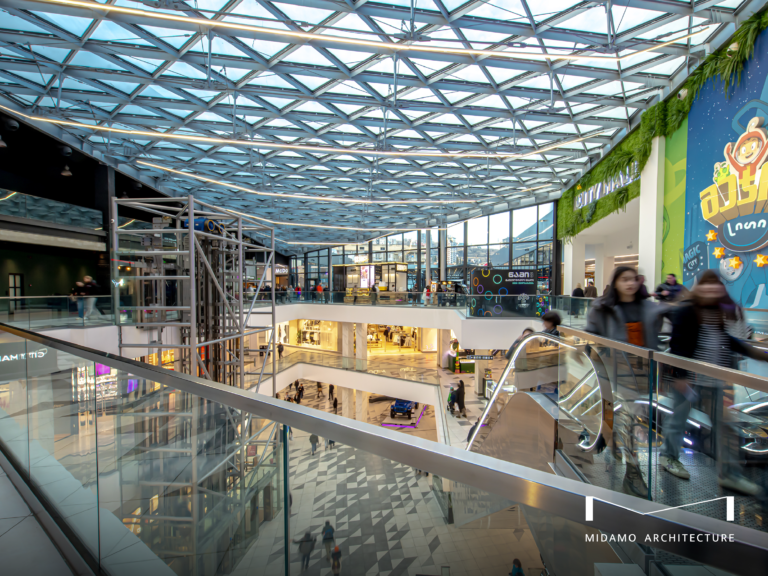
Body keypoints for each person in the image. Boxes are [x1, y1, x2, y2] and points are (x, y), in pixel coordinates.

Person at [661, 270, 764, 495]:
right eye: (706, 284)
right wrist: (680, 377)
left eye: (715, 284)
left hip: (714, 379)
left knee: (724, 426)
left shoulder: (719, 313)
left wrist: (757, 353)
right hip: (689, 378)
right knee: (678, 419)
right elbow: (678, 345)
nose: (710, 288)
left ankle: (730, 474)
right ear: (698, 288)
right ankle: (668, 456)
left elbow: (727, 341)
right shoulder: (687, 311)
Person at [586, 266, 665, 498]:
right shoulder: (603, 308)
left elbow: (659, 331)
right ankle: (633, 473)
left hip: (644, 372)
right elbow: (590, 336)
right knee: (631, 420)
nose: (630, 283)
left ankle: (615, 442)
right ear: (616, 283)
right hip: (617, 372)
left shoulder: (648, 307)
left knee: (633, 419)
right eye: (624, 279)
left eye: (633, 279)